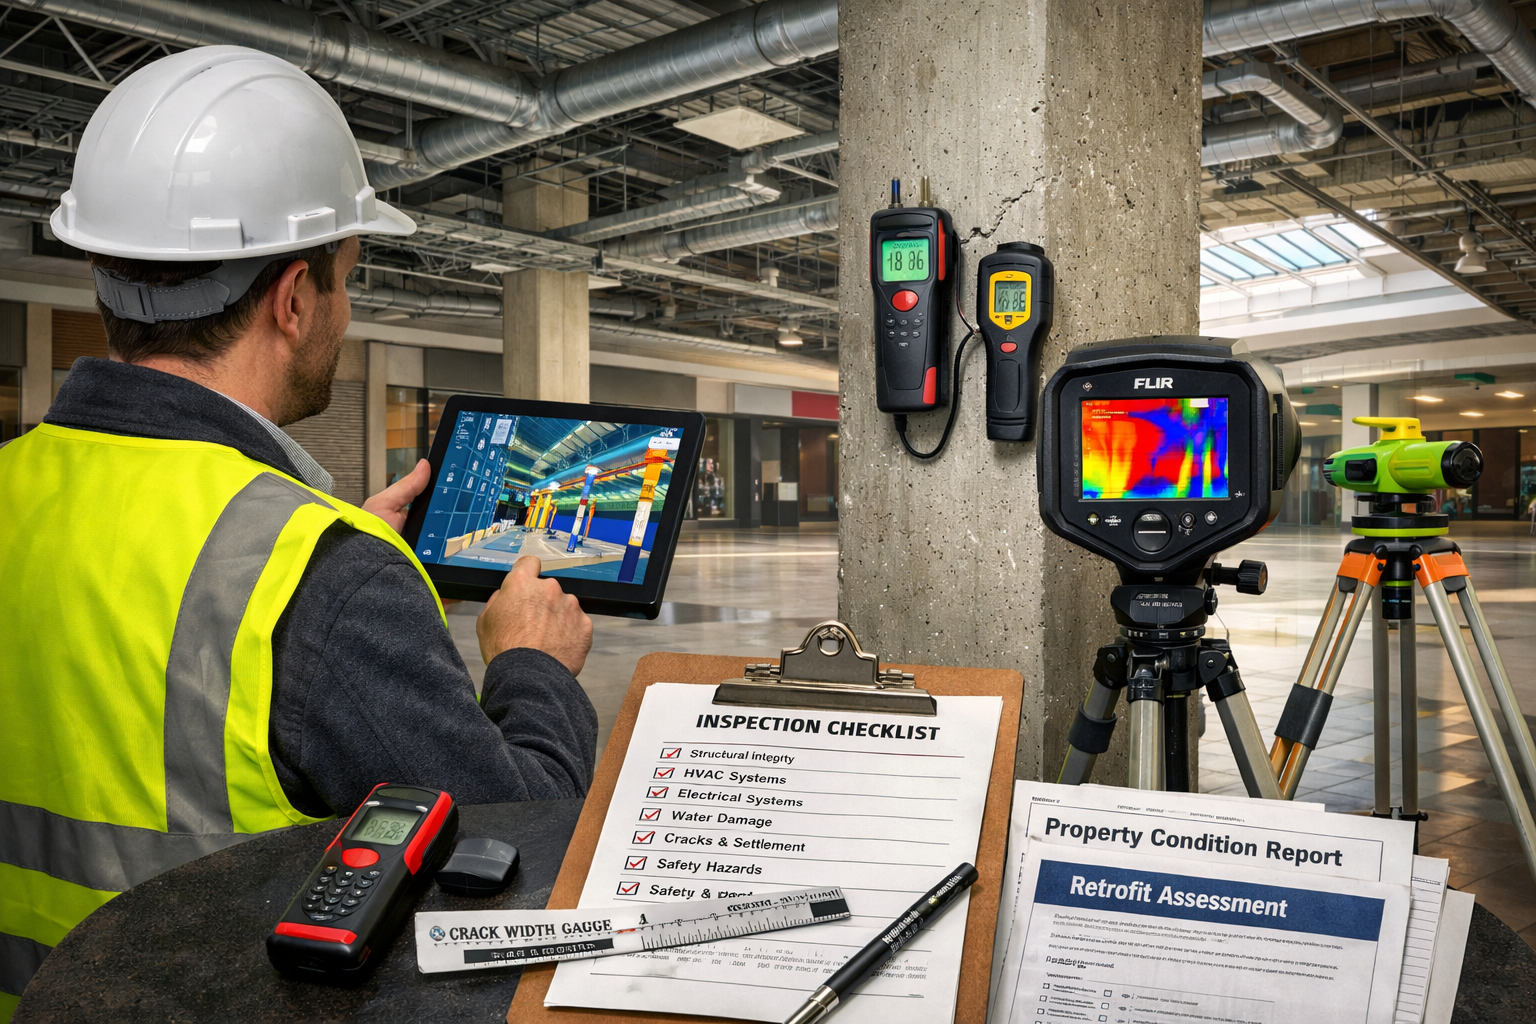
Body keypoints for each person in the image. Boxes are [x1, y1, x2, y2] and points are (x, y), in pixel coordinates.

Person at [0, 46, 595, 1013]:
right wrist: (532, 666)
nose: (344, 312)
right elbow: (516, 847)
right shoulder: (323, 581)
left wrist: (323, 556)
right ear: (292, 298)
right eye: (345, 279)